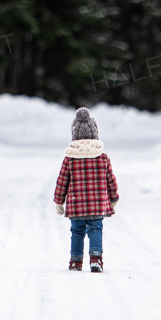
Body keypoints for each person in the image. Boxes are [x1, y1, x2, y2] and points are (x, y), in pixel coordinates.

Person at [53, 107, 119, 272]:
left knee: (77, 231)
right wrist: (114, 198)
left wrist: (59, 201)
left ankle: (76, 261)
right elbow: (110, 180)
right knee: (95, 228)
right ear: (95, 134)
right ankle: (96, 259)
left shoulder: (70, 159)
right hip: (97, 204)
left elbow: (62, 181)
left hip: (77, 205)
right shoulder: (103, 157)